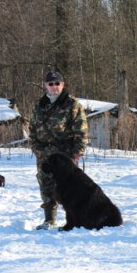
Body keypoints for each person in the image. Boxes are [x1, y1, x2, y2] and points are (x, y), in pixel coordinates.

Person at [28, 71, 89, 230]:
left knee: (72, 188)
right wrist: (36, 148)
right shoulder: (39, 105)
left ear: (63, 84)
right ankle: (49, 220)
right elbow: (32, 129)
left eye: (57, 83)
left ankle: (77, 219)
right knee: (46, 187)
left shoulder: (72, 104)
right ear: (45, 85)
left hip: (65, 155)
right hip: (45, 155)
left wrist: (77, 151)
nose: (54, 87)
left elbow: (81, 131)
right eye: (51, 84)